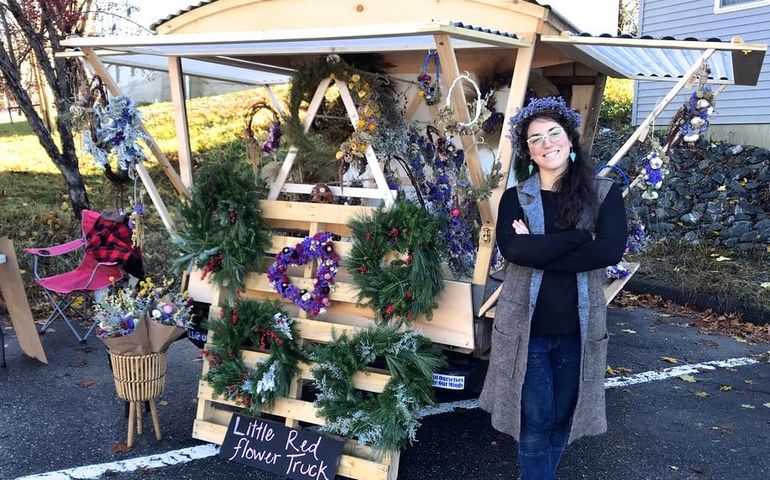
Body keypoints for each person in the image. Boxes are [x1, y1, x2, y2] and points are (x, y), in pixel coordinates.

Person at [479, 96, 628, 480]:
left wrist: (539, 249)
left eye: (553, 133)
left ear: (570, 138)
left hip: (578, 331)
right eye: (535, 139)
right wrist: (580, 237)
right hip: (526, 330)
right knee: (533, 423)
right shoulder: (516, 197)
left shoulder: (603, 194)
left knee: (564, 419)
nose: (546, 144)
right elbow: (513, 249)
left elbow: (610, 249)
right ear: (527, 151)